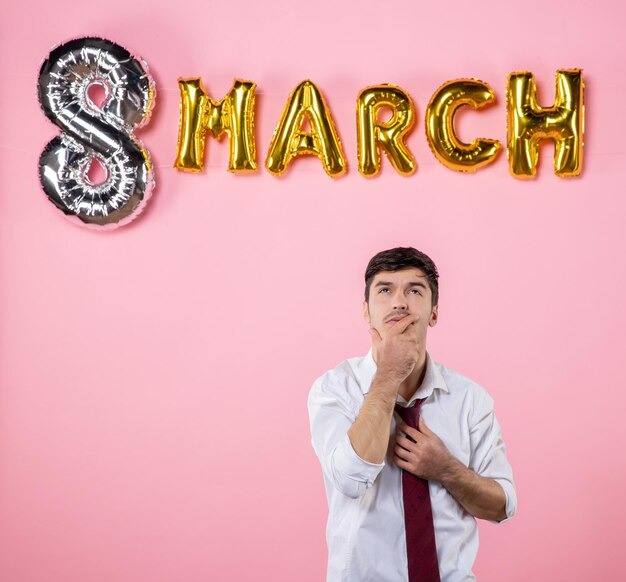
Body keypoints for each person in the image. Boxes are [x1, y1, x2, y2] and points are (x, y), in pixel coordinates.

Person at [308, 247, 516, 582]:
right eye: (385, 290)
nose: (399, 302)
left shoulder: (471, 400)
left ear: (434, 312)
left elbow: (502, 505)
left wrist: (446, 469)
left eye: (414, 290)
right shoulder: (334, 390)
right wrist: (389, 374)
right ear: (366, 311)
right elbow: (349, 479)